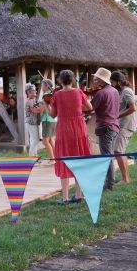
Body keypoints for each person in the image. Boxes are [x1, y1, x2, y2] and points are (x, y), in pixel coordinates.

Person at [49, 69, 92, 204]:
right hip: (79, 128)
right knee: (80, 159)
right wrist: (78, 109)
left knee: (64, 159)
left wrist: (46, 104)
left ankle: (65, 197)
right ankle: (79, 195)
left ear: (60, 80)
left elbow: (52, 115)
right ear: (73, 80)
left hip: (64, 129)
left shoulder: (57, 95)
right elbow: (89, 107)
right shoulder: (79, 92)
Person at [90, 67, 120, 191]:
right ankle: (109, 181)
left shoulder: (101, 93)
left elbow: (89, 108)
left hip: (105, 127)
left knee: (106, 156)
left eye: (96, 78)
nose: (95, 79)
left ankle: (110, 184)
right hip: (114, 126)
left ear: (101, 79)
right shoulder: (114, 91)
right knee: (109, 155)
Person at [110, 71, 136, 184]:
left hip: (126, 125)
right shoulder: (122, 91)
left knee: (117, 150)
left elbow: (133, 108)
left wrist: (118, 116)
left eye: (112, 82)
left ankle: (125, 179)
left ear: (118, 82)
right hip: (122, 124)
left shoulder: (126, 91)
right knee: (120, 151)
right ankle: (126, 178)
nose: (111, 85)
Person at [23, 83, 45, 157]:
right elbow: (36, 111)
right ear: (29, 92)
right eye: (34, 90)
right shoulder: (30, 100)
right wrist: (44, 106)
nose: (36, 91)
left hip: (32, 122)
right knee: (35, 140)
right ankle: (32, 156)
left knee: (33, 140)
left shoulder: (32, 100)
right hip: (31, 123)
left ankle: (34, 156)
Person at [39, 79, 57, 160]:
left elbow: (43, 109)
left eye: (42, 85)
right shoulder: (53, 94)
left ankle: (52, 159)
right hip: (54, 120)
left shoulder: (46, 95)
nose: (41, 87)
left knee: (45, 142)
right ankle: (56, 158)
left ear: (47, 86)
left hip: (47, 120)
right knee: (51, 140)